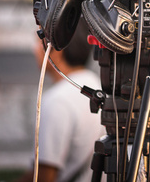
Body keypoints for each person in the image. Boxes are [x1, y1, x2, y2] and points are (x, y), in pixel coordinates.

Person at [17, 19, 105, 182]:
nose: (34, 49)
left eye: (38, 41)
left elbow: (43, 176)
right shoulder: (97, 86)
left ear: (55, 49)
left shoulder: (57, 101)